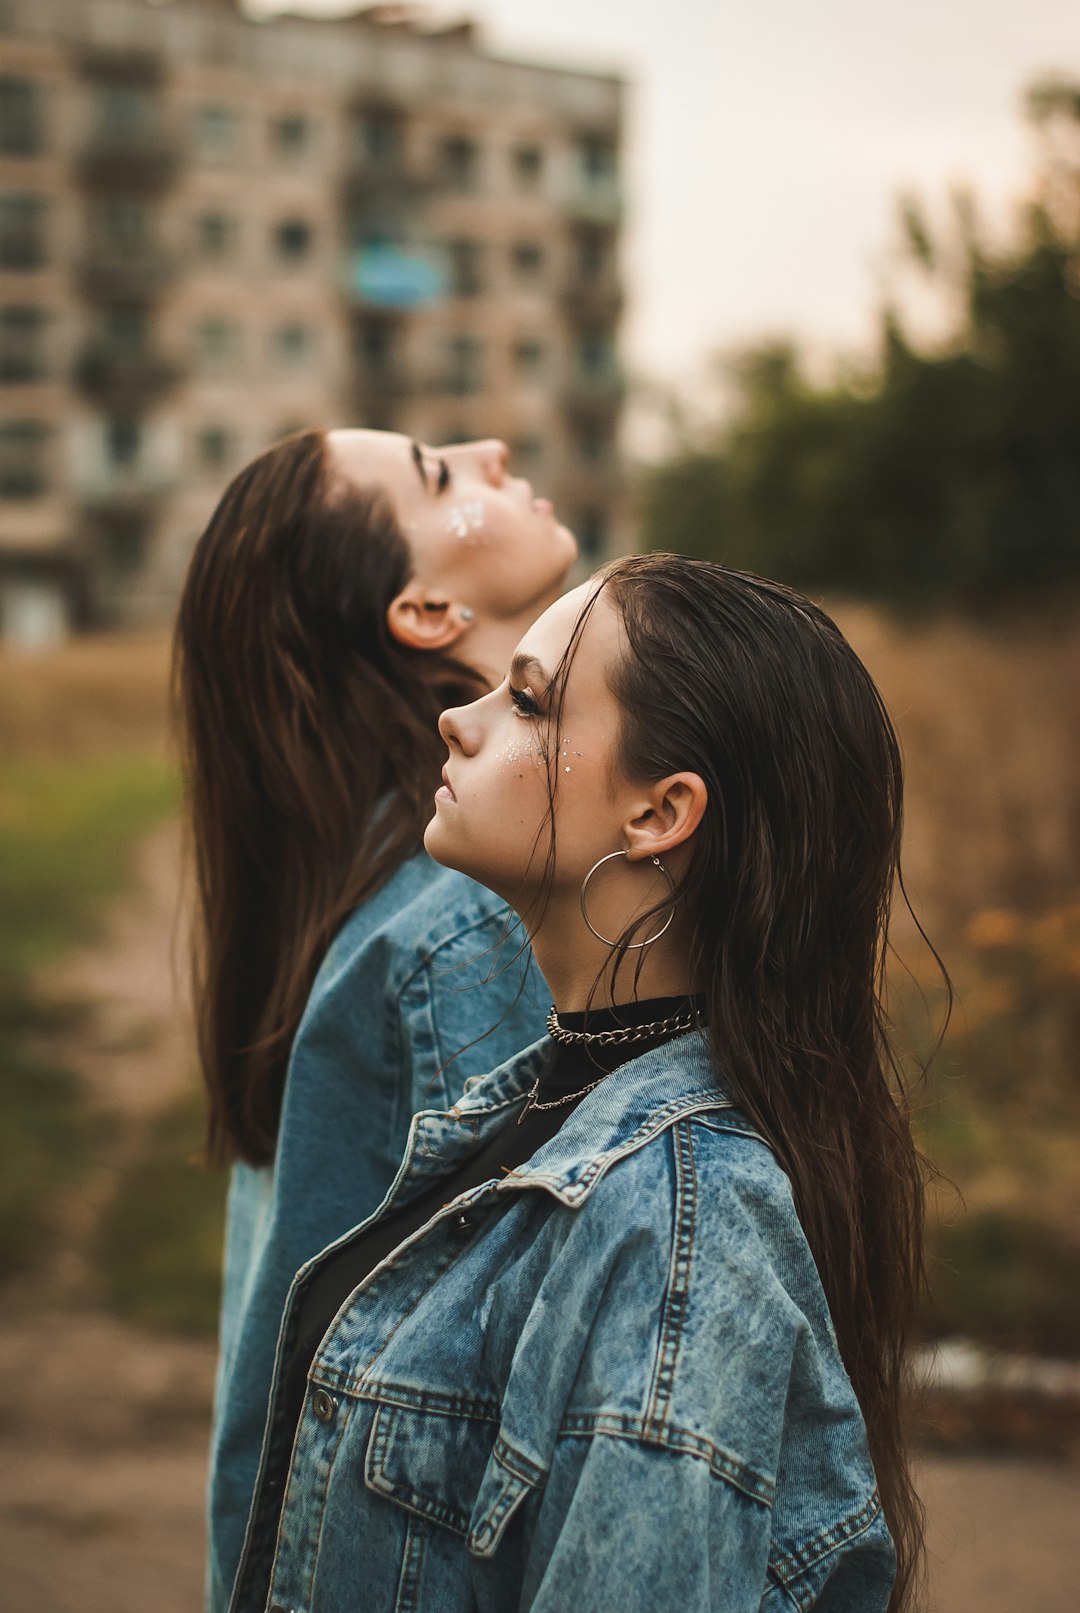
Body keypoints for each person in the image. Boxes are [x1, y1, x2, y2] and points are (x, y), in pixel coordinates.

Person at [226, 554, 931, 1613]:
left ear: (658, 814)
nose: (458, 722)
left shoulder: (677, 1225)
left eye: (527, 700)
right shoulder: (537, 1109)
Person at [173, 428, 576, 1611]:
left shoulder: (373, 888)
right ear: (425, 612)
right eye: (439, 475)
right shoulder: (470, 924)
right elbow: (527, 1374)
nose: (491, 445)